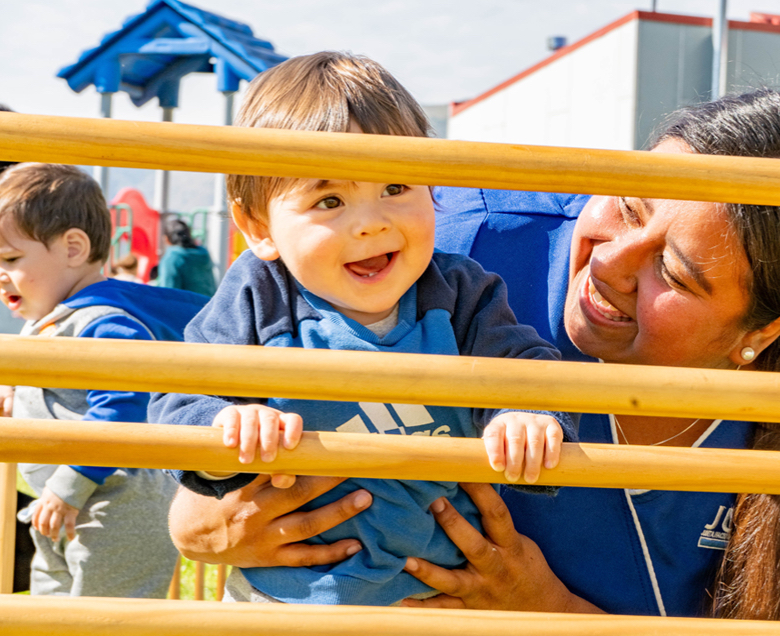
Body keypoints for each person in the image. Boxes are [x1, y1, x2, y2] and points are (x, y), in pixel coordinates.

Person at [163, 89, 780, 621]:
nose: (609, 260)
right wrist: (202, 519)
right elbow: (232, 398)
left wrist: (551, 611)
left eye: (674, 273)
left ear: (763, 330)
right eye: (629, 205)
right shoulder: (454, 254)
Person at [148, 52, 576, 608]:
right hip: (286, 602)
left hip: (435, 598)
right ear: (258, 227)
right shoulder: (259, 295)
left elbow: (523, 363)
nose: (372, 221)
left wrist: (526, 414)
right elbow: (179, 396)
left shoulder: (460, 291)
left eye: (396, 186)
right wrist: (226, 423)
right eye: (329, 199)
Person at [0, 162, 209, 598]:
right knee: (51, 611)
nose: (1, 274)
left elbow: (120, 406)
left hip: (117, 504)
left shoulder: (105, 322)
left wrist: (68, 487)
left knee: (107, 614)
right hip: (61, 503)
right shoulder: (46, 320)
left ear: (73, 248)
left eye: (11, 259)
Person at [154, 217, 216, 296]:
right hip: (210, 306)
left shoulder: (172, 259)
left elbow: (168, 296)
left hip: (187, 307)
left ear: (166, 239)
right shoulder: (204, 255)